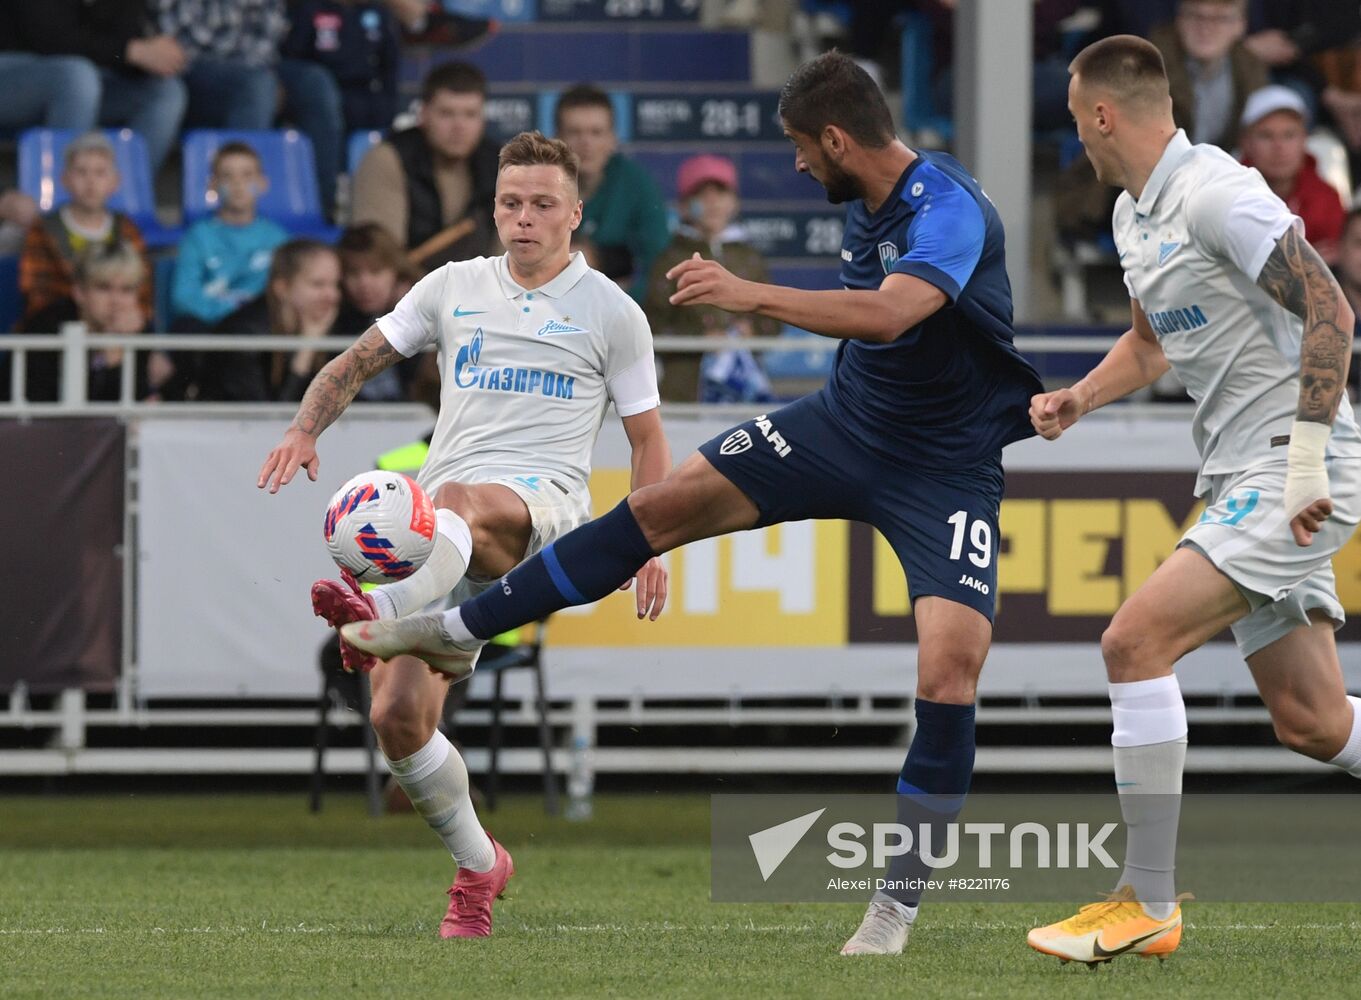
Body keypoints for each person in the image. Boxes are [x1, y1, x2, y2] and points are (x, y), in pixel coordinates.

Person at [329, 53, 1044, 957]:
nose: (793, 168)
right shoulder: (866, 202)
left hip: (945, 468)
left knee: (949, 672)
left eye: (797, 149)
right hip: (840, 427)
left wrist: (746, 294)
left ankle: (893, 910)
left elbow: (894, 313)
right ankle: (458, 631)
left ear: (833, 138)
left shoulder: (947, 206)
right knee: (657, 510)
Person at [256, 131, 671, 938]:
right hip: (445, 536)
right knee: (397, 720)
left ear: (574, 214)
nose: (524, 218)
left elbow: (648, 438)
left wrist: (646, 538)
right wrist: (304, 429)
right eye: (511, 203)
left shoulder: (612, 313)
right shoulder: (453, 286)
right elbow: (357, 360)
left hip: (540, 515)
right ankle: (480, 868)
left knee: (452, 495)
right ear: (494, 208)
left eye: (542, 205)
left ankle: (373, 614)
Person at [1025, 35, 1361, 966]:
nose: (1075, 137)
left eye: (1073, 117)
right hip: (1241, 475)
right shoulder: (1138, 216)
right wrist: (1078, 399)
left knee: (1132, 642)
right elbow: (1149, 344)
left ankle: (1148, 902)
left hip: (1294, 468)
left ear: (1101, 114)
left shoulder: (1217, 193)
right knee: (1313, 721)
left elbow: (1330, 308)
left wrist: (1302, 465)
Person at [156, 0, 346, 216]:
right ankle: (241, 209)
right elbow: (182, 41)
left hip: (259, 68)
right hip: (192, 73)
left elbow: (272, 33)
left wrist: (267, 74)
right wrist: (263, 75)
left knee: (315, 82)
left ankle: (322, 210)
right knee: (258, 87)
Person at [643, 154, 779, 402]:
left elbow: (774, 318)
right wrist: (700, 337)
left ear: (734, 202)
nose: (712, 202)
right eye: (700, 195)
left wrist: (753, 330)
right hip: (685, 392)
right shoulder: (669, 258)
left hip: (743, 389)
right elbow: (652, 325)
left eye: (721, 193)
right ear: (684, 206)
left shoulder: (750, 257)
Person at [0, 2, 188, 172]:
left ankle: (116, 198)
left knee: (165, 92)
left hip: (84, 81)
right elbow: (46, 38)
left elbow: (124, 37)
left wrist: (154, 58)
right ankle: (63, 201)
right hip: (14, 71)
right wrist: (131, 51)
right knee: (77, 77)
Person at [351, 61, 500, 271]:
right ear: (423, 115)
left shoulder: (499, 163)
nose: (459, 127)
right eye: (447, 113)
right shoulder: (388, 158)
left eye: (470, 114)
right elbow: (379, 260)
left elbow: (510, 253)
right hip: (407, 291)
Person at [19, 132, 152, 330]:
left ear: (115, 182)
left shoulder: (127, 230)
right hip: (58, 328)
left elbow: (141, 290)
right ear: (65, 179)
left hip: (118, 328)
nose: (90, 182)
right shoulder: (44, 229)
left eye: (100, 173)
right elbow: (37, 294)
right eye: (81, 172)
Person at [554, 83, 669, 303]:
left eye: (596, 132)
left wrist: (616, 303)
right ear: (556, 139)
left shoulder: (637, 185)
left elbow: (659, 265)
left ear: (612, 139)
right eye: (575, 132)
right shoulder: (533, 183)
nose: (586, 143)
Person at [23, 242, 174, 403]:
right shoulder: (47, 327)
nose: (116, 300)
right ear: (79, 292)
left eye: (127, 290)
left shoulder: (140, 329)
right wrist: (113, 356)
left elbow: (139, 400)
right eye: (103, 288)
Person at [197, 238, 341, 402]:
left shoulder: (330, 323)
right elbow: (269, 419)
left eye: (335, 284)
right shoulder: (244, 335)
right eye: (318, 284)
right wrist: (307, 349)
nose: (332, 296)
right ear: (282, 288)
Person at [171, 142, 289, 328]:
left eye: (247, 175)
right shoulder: (197, 236)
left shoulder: (278, 239)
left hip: (255, 332)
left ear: (262, 183)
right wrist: (231, 315)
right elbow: (184, 298)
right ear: (213, 184)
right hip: (210, 329)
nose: (238, 184)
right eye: (227, 176)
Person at [1239, 85, 1346, 265]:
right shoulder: (1229, 194)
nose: (1279, 147)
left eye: (1289, 135)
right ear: (1246, 143)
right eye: (1266, 136)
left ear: (1304, 139)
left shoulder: (1327, 198)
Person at [1150, 0, 1267, 151]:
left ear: (1240, 25)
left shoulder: (1251, 68)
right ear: (1179, 20)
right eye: (1196, 16)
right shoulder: (1150, 65)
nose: (1206, 28)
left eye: (1221, 19)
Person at [282, 0, 403, 133]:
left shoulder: (376, 12)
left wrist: (388, 102)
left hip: (365, 94)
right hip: (324, 94)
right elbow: (294, 58)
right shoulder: (310, 9)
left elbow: (390, 64)